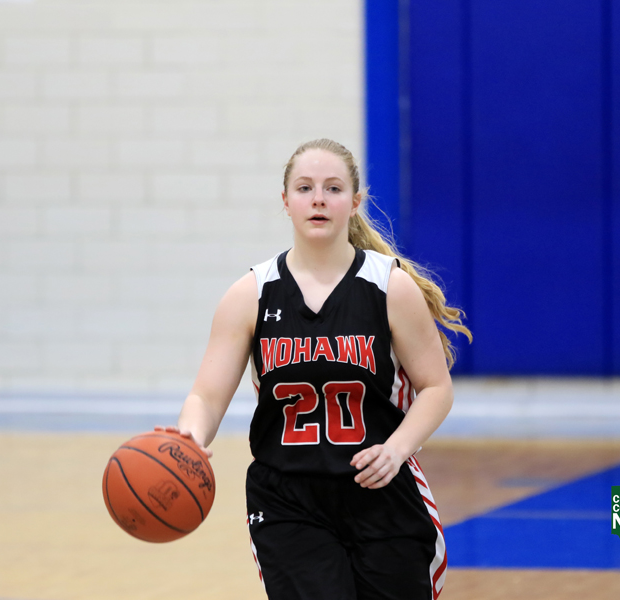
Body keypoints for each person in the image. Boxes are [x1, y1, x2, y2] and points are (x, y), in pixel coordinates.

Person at [170, 138, 472, 600]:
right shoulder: (251, 294)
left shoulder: (390, 287)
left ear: (355, 202)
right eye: (305, 188)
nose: (318, 199)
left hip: (381, 491)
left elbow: (436, 388)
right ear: (285, 201)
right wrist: (188, 438)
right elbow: (207, 397)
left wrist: (396, 450)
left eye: (333, 188)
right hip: (287, 499)